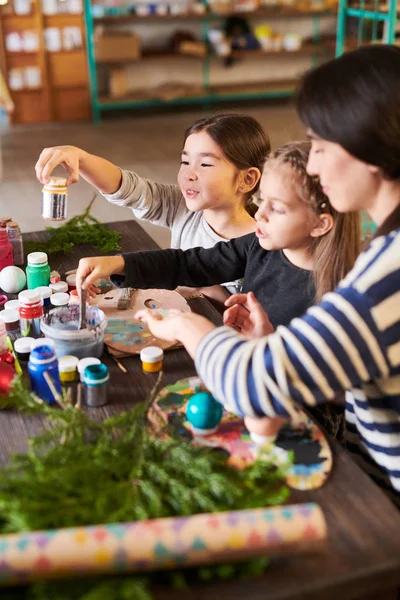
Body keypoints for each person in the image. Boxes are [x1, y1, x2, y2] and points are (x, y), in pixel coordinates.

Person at [130, 45, 400, 506]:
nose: (312, 164)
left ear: (368, 148)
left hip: (379, 493)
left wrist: (184, 324)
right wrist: (273, 340)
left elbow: (251, 382)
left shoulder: (383, 276)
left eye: (320, 145)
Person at [35, 113, 270, 301]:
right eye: (185, 161)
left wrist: (209, 289)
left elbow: (252, 320)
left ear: (247, 179)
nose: (189, 174)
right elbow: (128, 189)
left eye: (205, 164)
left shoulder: (264, 245)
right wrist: (81, 158)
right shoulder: (183, 207)